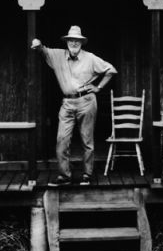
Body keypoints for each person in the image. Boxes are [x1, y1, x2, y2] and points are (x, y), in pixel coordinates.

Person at [31, 26, 116, 186]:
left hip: (86, 102)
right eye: (71, 40)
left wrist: (99, 87)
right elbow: (42, 50)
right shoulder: (57, 55)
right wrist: (38, 43)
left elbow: (111, 70)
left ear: (82, 43)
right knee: (62, 140)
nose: (74, 43)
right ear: (67, 42)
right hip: (67, 103)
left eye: (77, 40)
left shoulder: (90, 58)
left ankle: (87, 175)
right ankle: (64, 176)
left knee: (87, 140)